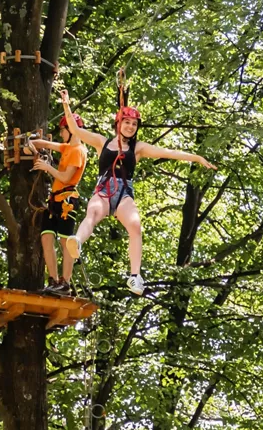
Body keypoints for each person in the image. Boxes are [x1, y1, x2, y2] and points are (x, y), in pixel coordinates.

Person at [57, 89, 217, 295]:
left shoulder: (138, 148)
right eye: (127, 123)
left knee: (135, 225)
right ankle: (77, 242)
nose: (131, 127)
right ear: (118, 124)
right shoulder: (101, 142)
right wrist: (66, 105)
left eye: (134, 124)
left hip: (124, 192)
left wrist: (196, 157)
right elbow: (75, 130)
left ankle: (135, 276)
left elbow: (168, 153)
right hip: (104, 189)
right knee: (93, 213)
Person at [29, 112, 89, 295]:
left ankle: (65, 282)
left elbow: (65, 177)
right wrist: (30, 141)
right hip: (54, 201)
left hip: (67, 201)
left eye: (63, 130)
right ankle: (54, 280)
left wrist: (47, 167)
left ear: (71, 130)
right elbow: (46, 144)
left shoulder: (78, 151)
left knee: (66, 242)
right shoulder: (67, 148)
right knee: (46, 238)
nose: (61, 133)